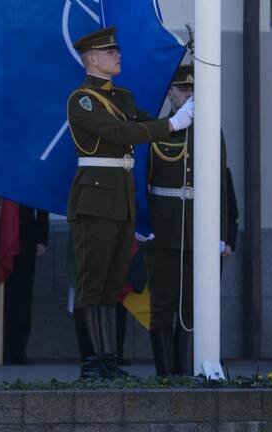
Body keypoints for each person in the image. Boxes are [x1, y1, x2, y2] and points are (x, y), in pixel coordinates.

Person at [65, 27, 194, 380]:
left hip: (121, 199)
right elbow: (120, 134)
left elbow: (141, 121)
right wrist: (171, 124)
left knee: (111, 284)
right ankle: (93, 365)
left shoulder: (121, 97)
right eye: (110, 52)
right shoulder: (83, 100)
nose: (118, 56)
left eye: (117, 51)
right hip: (94, 200)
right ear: (92, 58)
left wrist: (179, 112)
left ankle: (108, 360)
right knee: (92, 283)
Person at [143, 64, 229, 376]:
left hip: (200, 228)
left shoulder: (210, 130)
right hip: (163, 229)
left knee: (194, 307)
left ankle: (189, 372)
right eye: (183, 89)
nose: (190, 95)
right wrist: (142, 225)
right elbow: (142, 182)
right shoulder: (156, 128)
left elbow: (222, 184)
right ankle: (167, 375)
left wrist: (223, 231)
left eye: (194, 90)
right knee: (164, 304)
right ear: (170, 92)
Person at [0, 184, 48, 364]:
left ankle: (19, 350)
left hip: (26, 239)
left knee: (23, 297)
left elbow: (42, 200)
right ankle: (2, 350)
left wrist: (42, 236)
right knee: (0, 298)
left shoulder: (29, 164)